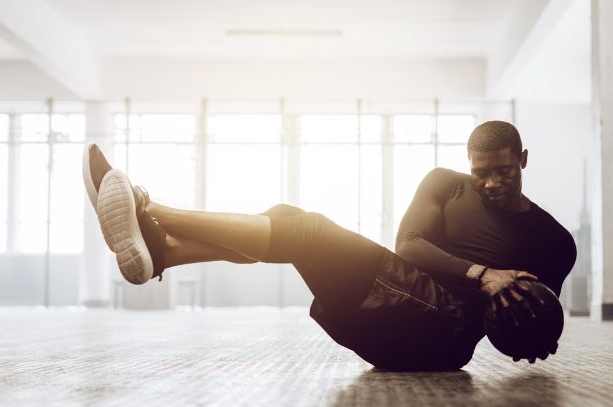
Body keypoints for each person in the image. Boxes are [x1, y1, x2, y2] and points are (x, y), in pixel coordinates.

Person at [82, 121, 576, 371]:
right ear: (468, 165)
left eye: (503, 171)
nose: (490, 183)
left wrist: (531, 336)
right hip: (401, 304)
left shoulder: (553, 242)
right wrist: (483, 274)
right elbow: (408, 247)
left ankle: (150, 210)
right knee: (287, 220)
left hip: (444, 335)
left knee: (306, 230)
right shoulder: (446, 185)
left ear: (524, 160)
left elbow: (526, 329)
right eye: (481, 172)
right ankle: (161, 251)